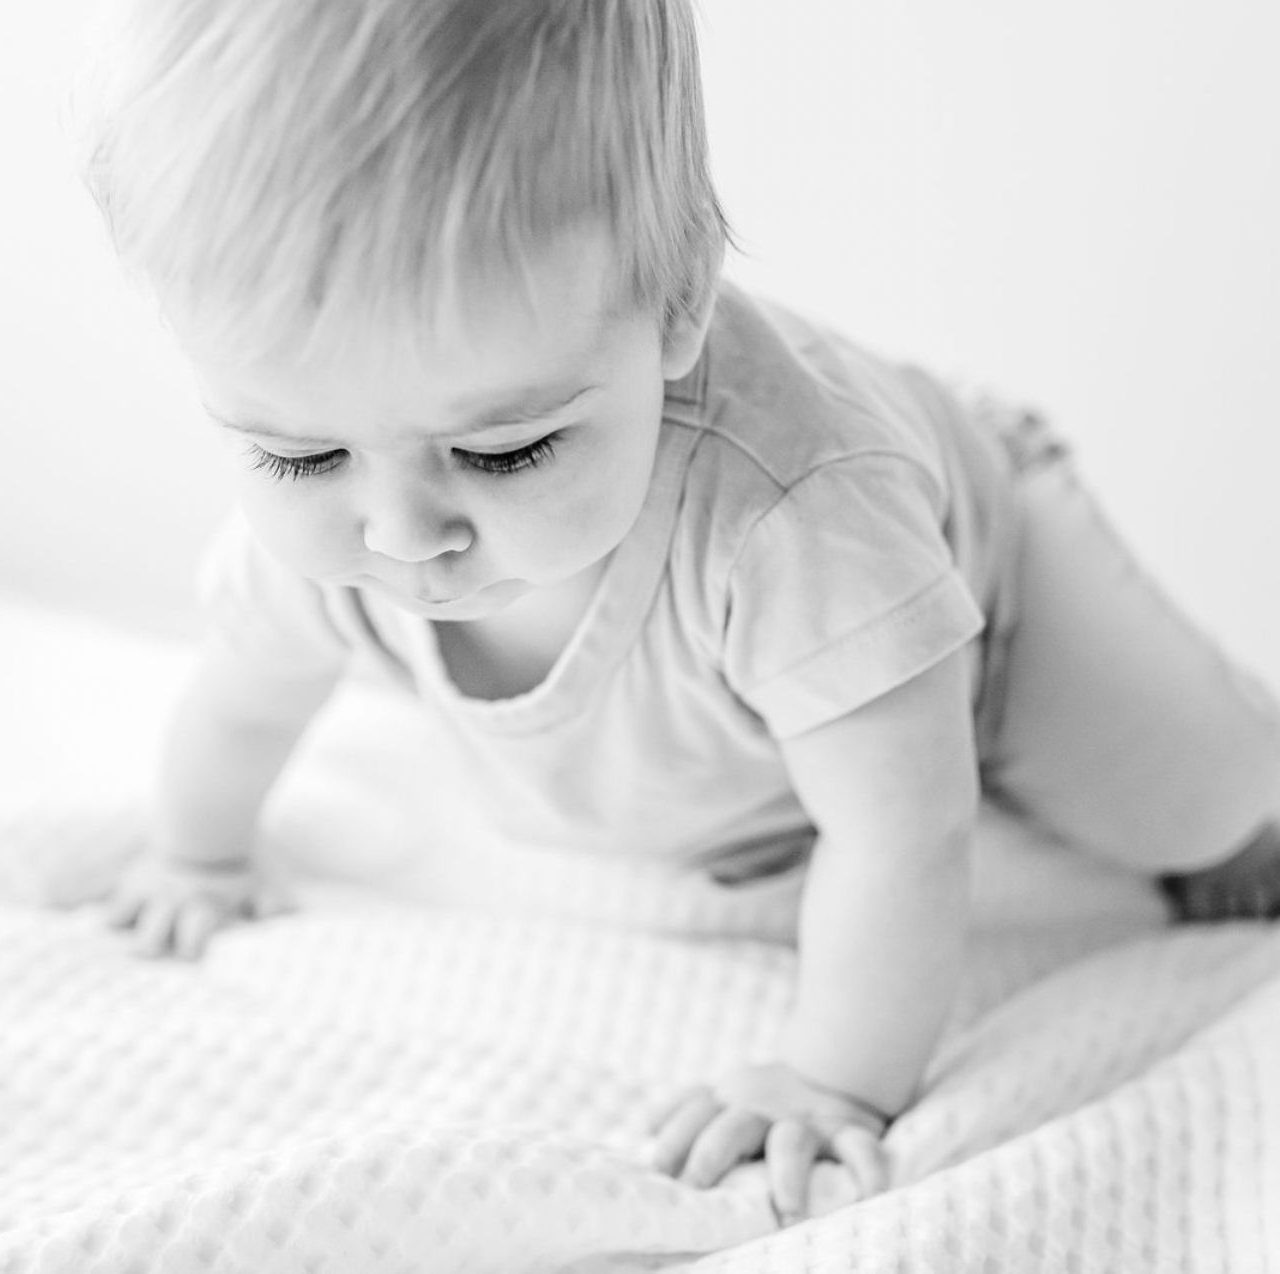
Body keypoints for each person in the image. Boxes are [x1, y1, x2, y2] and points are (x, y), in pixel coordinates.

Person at [75, 0, 1280, 1224]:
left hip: (992, 572)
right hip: (778, 669)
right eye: (295, 457)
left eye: (504, 451)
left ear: (676, 311)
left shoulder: (794, 516)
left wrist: (835, 1078)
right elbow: (241, 696)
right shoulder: (348, 510)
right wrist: (198, 851)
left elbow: (905, 833)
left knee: (1193, 797)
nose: (399, 535)